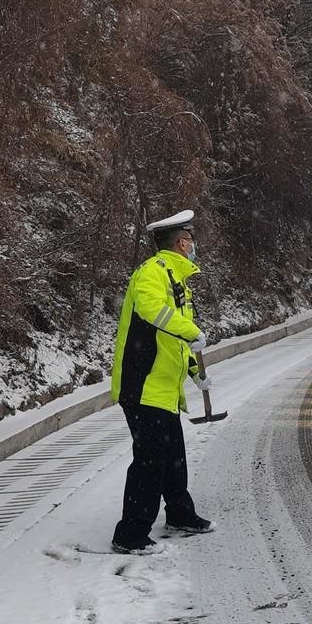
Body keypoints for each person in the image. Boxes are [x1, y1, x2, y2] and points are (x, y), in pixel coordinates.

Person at [109, 209, 215, 553]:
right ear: (180, 243)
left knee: (173, 457)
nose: (193, 245)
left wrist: (193, 370)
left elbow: (169, 338)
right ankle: (130, 534)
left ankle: (180, 514)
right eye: (190, 240)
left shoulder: (176, 278)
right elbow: (152, 311)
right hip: (142, 385)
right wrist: (192, 330)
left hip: (163, 388)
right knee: (149, 461)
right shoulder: (152, 273)